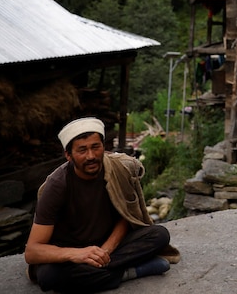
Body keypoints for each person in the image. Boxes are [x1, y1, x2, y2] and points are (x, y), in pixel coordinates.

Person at [25, 117, 180, 293]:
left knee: (159, 235)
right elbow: (32, 251)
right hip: (72, 252)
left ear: (103, 147)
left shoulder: (117, 169)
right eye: (82, 150)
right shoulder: (57, 186)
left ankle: (98, 272)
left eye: (95, 147)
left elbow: (125, 216)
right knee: (48, 277)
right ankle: (131, 272)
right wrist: (78, 255)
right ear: (69, 155)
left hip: (109, 246)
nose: (91, 156)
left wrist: (106, 249)